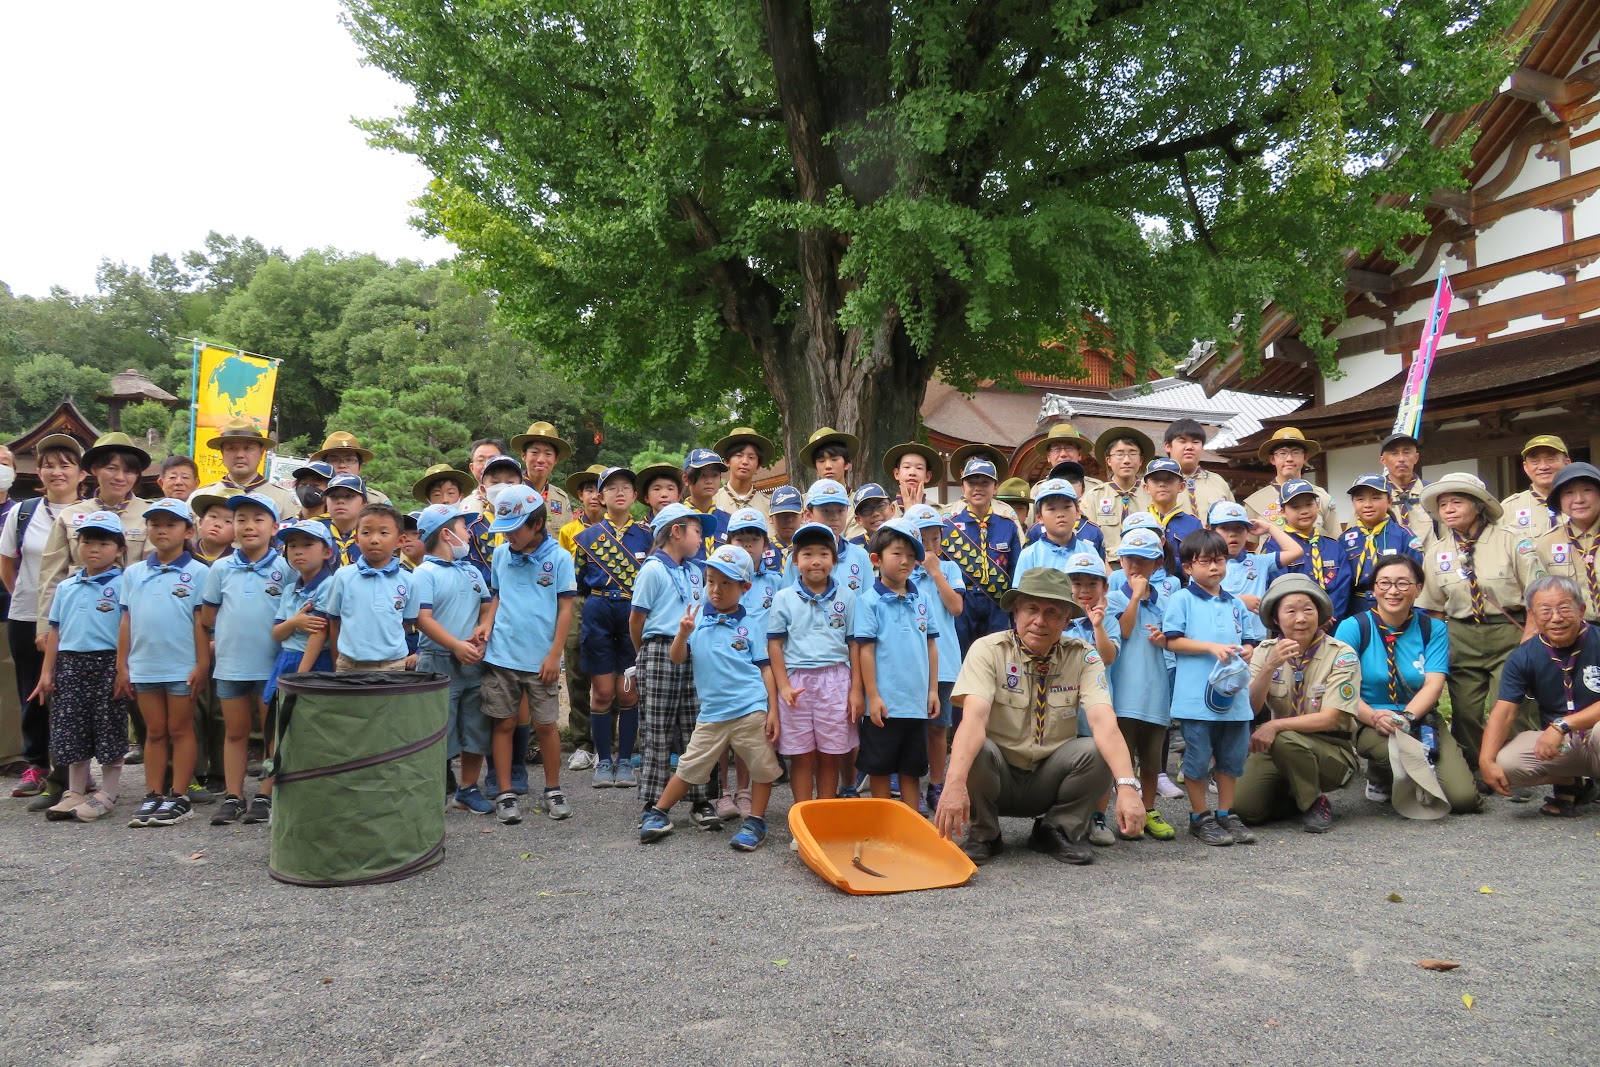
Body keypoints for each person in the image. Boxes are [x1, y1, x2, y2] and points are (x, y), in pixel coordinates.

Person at [933, 567, 1143, 866]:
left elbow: (1104, 723)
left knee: (1098, 750)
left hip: (1050, 776)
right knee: (976, 746)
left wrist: (1127, 787)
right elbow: (974, 719)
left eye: (1052, 612)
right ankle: (984, 833)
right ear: (1016, 611)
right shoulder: (988, 651)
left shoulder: (1084, 656)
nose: (1040, 621)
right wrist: (953, 783)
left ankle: (1056, 828)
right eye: (1031, 609)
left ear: (1067, 620)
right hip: (997, 775)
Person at [639, 545, 784, 851]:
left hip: (750, 708)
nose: (716, 590)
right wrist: (681, 634)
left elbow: (765, 669)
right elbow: (677, 658)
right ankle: (659, 812)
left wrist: (772, 709)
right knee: (689, 766)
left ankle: (755, 821)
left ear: (744, 587)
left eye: (726, 583)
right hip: (712, 713)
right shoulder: (697, 620)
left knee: (762, 766)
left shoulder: (753, 626)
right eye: (711, 581)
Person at [1417, 471, 1540, 792]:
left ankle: (1518, 772)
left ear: (1478, 505)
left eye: (1456, 501)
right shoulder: (1436, 552)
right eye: (1443, 504)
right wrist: (1436, 648)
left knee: (1513, 705)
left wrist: (1529, 641)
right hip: (1461, 635)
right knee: (1466, 710)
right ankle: (1476, 769)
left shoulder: (1511, 540)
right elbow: (1433, 608)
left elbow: (1537, 596)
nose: (1448, 509)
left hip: (1510, 634)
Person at [1334, 554, 1479, 815]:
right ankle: (1381, 772)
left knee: (1462, 799)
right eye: (1384, 583)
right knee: (1401, 761)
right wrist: (1375, 717)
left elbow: (1434, 684)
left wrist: (1407, 717)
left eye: (1402, 583)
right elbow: (1341, 689)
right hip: (1369, 719)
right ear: (1374, 589)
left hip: (1419, 717)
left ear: (1418, 589)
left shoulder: (1432, 628)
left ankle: (1403, 774)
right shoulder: (1353, 627)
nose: (1393, 591)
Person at [1234, 574, 1360, 832]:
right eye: (1290, 611)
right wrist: (1270, 667)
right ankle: (1296, 796)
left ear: (1319, 614)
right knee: (1243, 809)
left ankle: (1314, 802)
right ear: (1276, 618)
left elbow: (1330, 718)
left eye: (1308, 610)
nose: (1301, 618)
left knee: (1282, 736)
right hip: (1278, 748)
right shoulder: (1264, 652)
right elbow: (1250, 709)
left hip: (1331, 748)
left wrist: (1276, 725)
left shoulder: (1341, 654)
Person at [480, 486, 576, 825]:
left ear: (536, 524)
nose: (507, 535)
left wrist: (554, 654)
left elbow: (565, 609)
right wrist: (487, 625)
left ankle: (553, 788)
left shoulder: (560, 558)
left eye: (514, 527)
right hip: (502, 655)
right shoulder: (501, 554)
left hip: (541, 660)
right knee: (504, 722)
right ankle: (505, 792)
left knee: (546, 724)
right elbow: (497, 596)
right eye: (503, 528)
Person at [1162, 529, 1264, 846]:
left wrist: (1247, 651)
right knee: (1197, 757)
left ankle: (1225, 813)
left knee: (1232, 759)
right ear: (1189, 567)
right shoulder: (1181, 599)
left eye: (1219, 560)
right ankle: (1198, 817)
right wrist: (1209, 647)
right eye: (1205, 562)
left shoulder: (1235, 603)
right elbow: (1171, 640)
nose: (1214, 568)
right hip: (1196, 699)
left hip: (1234, 699)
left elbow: (1249, 641)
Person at [118, 499, 209, 828]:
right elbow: (126, 621)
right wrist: (122, 665)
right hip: (144, 665)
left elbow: (201, 623)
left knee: (180, 729)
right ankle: (153, 793)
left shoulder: (199, 572)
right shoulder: (133, 573)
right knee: (154, 732)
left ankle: (180, 795)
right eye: (155, 523)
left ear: (188, 531)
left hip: (181, 666)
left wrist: (202, 664)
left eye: (171, 524)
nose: (161, 530)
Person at [3, 432, 83, 802]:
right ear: (38, 472)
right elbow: (8, 564)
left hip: (79, 618)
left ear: (82, 473)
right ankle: (36, 763)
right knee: (31, 689)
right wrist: (32, 602)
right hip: (25, 616)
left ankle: (73, 770)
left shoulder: (91, 513)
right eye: (49, 465)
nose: (57, 471)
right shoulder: (23, 512)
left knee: (72, 694)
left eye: (66, 464)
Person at [36, 512, 131, 823]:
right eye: (87, 541)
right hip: (71, 664)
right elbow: (55, 631)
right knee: (71, 728)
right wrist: (47, 672)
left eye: (103, 543)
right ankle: (75, 792)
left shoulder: (124, 583)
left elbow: (128, 628)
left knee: (109, 726)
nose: (93, 549)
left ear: (118, 549)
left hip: (108, 663)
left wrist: (122, 668)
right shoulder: (66, 586)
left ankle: (109, 792)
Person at [629, 502, 719, 829]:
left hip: (694, 650)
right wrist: (645, 655)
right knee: (657, 728)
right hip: (658, 649)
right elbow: (636, 619)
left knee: (698, 726)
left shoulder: (697, 571)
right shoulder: (653, 569)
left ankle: (702, 799)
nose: (702, 540)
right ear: (676, 532)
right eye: (697, 532)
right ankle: (654, 800)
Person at [199, 492, 285, 827]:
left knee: (270, 734)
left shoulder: (285, 567)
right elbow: (208, 614)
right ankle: (234, 796)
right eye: (241, 520)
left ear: (274, 527)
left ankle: (266, 793)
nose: (249, 527)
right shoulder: (221, 568)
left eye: (258, 520)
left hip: (271, 666)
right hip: (231, 664)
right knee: (234, 733)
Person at [1481, 575, 1600, 815]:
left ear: (1581, 609)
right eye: (1545, 611)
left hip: (1591, 731)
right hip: (1565, 743)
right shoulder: (1523, 656)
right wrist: (1486, 760)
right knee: (1507, 763)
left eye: (1564, 609)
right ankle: (1573, 784)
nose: (1556, 618)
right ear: (1532, 617)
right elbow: (1504, 712)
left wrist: (1561, 725)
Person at [408, 504, 494, 815]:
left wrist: (481, 630)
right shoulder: (424, 573)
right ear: (446, 533)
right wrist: (456, 645)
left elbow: (486, 607)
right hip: (437, 660)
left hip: (473, 660)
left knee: (475, 726)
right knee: (436, 728)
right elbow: (422, 618)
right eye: (463, 527)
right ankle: (432, 791)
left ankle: (468, 789)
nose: (468, 533)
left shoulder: (471, 570)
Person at [767, 521, 859, 812]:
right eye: (807, 554)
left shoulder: (847, 596)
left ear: (834, 560)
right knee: (803, 755)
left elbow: (855, 645)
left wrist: (856, 690)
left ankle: (825, 815)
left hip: (836, 680)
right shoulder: (783, 599)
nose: (815, 561)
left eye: (823, 553)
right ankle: (804, 819)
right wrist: (783, 686)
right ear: (795, 561)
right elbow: (775, 645)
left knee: (830, 754)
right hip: (798, 684)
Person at [852, 519, 939, 811]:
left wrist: (933, 691)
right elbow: (865, 650)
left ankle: (910, 827)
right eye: (897, 553)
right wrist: (872, 696)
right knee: (879, 767)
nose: (905, 561)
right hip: (884, 705)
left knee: (911, 769)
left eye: (911, 556)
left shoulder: (923, 599)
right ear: (876, 559)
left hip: (916, 702)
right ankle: (880, 823)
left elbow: (931, 645)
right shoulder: (868, 602)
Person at [575, 467, 650, 789]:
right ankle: (603, 759)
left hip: (633, 613)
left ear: (635, 496)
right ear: (600, 497)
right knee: (603, 692)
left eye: (626, 488)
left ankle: (624, 760)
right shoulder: (588, 538)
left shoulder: (647, 535)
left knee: (627, 692)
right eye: (611, 488)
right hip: (598, 611)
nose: (619, 493)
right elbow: (579, 582)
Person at [1104, 528, 1177, 840]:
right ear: (1120, 559)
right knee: (1122, 761)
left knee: (1151, 761)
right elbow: (1123, 631)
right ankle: (1118, 810)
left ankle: (1148, 810)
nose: (1135, 566)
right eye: (1129, 559)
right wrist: (1135, 595)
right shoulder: (1113, 598)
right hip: (1123, 695)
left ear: (1157, 563)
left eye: (1143, 560)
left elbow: (1175, 642)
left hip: (1156, 694)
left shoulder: (1167, 602)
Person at [905, 504, 963, 813]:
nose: (929, 547)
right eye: (922, 540)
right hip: (911, 661)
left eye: (935, 539)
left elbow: (956, 607)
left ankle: (936, 785)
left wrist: (936, 571)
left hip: (945, 661)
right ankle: (909, 782)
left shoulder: (949, 569)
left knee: (939, 727)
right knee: (911, 724)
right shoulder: (902, 573)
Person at [326, 503, 416, 672]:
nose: (374, 539)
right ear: (357, 539)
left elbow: (406, 621)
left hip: (393, 665)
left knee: (389, 700)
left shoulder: (409, 580)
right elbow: (334, 621)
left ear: (400, 540)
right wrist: (336, 660)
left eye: (384, 533)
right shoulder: (343, 576)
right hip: (348, 665)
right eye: (366, 533)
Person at [942, 457, 1019, 654]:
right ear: (963, 488)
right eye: (972, 482)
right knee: (962, 658)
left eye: (985, 482)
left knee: (997, 657)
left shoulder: (1008, 526)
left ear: (995, 488)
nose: (978, 488)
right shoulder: (948, 528)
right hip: (962, 602)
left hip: (998, 605)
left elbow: (1015, 571)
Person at [559, 464, 606, 772]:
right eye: (589, 489)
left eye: (599, 490)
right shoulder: (569, 531)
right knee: (576, 667)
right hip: (577, 599)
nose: (594, 496)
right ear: (581, 495)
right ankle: (582, 743)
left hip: (610, 601)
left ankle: (606, 741)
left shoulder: (624, 530)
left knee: (610, 671)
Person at [266, 520, 336, 704]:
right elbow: (276, 633)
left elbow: (318, 633)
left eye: (307, 544)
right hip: (286, 658)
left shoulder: (329, 585)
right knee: (279, 713)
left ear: (327, 552)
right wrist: (294, 622)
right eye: (292, 545)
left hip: (314, 662)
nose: (298, 551)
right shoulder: (289, 589)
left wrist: (300, 678)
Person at [1268, 479, 1353, 621]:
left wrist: (1326, 616)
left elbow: (1342, 587)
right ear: (1282, 512)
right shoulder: (1275, 546)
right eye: (1295, 507)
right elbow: (1279, 587)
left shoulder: (1334, 546)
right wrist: (1308, 617)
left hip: (1332, 624)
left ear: (1318, 506)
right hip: (1294, 624)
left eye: (1309, 504)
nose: (1304, 511)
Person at [1341, 474, 1423, 615]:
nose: (1367, 504)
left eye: (1376, 498)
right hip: (1355, 609)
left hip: (1395, 605)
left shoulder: (1404, 535)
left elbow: (1417, 574)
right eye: (1360, 499)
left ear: (1389, 501)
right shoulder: (1345, 539)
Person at [1531, 461, 1600, 622]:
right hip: (1574, 630)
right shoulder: (1547, 543)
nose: (1579, 500)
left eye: (1587, 490)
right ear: (1559, 501)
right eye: (1568, 493)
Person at [1242, 427, 1339, 538]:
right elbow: (1251, 548)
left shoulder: (1322, 497)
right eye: (1282, 453)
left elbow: (1335, 540)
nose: (1289, 458)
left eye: (1295, 452)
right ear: (1272, 459)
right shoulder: (1255, 502)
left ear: (1305, 457)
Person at [783, 479, 874, 597]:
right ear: (808, 515)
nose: (834, 517)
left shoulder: (860, 555)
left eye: (840, 510)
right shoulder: (797, 558)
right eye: (825, 511)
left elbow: (868, 602)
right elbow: (788, 600)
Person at [192, 418, 297, 518]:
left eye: (248, 448)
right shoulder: (201, 497)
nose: (240, 455)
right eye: (231, 448)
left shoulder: (284, 500)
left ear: (261, 453)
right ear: (222, 453)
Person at [1210, 501, 1302, 613]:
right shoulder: (1204, 565)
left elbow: (1296, 551)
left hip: (1256, 631)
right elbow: (1199, 604)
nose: (1233, 534)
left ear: (1248, 532)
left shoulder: (1259, 562)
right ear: (1211, 531)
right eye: (1225, 528)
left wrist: (1269, 528)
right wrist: (1239, 601)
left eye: (1239, 528)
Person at [1083, 426, 1153, 560]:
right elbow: (1087, 538)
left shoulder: (1151, 494)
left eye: (1133, 454)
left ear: (1141, 460)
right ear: (1109, 461)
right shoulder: (1094, 496)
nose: (1126, 460)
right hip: (1107, 565)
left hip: (1144, 564)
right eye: (1119, 454)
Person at [1015, 479, 1098, 572]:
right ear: (1039, 517)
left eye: (1066, 507)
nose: (1060, 514)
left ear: (1077, 511)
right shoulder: (1029, 555)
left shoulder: (1090, 552)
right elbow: (1021, 586)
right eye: (1051, 509)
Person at [1500, 435, 1569, 539]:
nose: (1543, 467)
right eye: (1535, 461)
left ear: (1567, 463)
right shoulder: (1509, 508)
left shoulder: (1583, 503)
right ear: (1526, 467)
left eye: (1550, 459)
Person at [1163, 418, 1234, 519]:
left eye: (1195, 442)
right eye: (1182, 442)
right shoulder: (1154, 482)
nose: (1189, 447)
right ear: (1168, 446)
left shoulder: (1218, 482)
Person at [510, 420, 574, 528]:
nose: (541, 460)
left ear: (556, 460)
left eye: (548, 454)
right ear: (523, 455)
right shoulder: (511, 492)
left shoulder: (561, 499)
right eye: (535, 452)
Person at [1379, 432, 1436, 545]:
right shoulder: (1374, 494)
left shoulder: (1432, 492)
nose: (1401, 459)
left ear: (1416, 458)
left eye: (1407, 453)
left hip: (1428, 560)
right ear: (1383, 461)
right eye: (1394, 453)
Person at [308, 431, 392, 504]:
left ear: (360, 467)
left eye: (349, 460)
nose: (342, 465)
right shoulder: (309, 497)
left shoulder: (377, 501)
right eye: (334, 460)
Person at [1142, 458, 1203, 556]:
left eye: (1169, 479)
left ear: (1181, 486)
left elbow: (1197, 562)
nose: (1162, 484)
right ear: (1146, 488)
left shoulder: (1193, 524)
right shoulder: (1138, 522)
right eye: (1155, 480)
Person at [712, 426, 775, 516]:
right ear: (726, 461)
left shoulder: (769, 506)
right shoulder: (712, 501)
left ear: (758, 466)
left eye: (751, 457)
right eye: (739, 455)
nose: (745, 462)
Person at [1036, 422, 1104, 495]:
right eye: (1057, 449)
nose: (1063, 454)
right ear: (1048, 456)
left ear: (1079, 454)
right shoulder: (1038, 490)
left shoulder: (1096, 488)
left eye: (1069, 448)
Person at [682, 448, 730, 551]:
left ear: (720, 478)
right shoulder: (677, 519)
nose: (709, 481)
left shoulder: (728, 521)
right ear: (686, 479)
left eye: (714, 475)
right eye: (702, 475)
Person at [320, 474, 368, 567]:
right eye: (333, 496)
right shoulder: (317, 535)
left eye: (349, 496)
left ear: (364, 504)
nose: (340, 501)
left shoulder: (373, 537)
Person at [883, 442, 943, 514]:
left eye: (919, 468)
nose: (912, 473)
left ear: (927, 476)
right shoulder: (887, 513)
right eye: (907, 467)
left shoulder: (938, 512)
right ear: (897, 473)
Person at [464, 438, 508, 515]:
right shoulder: (465, 504)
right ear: (472, 468)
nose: (486, 465)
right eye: (480, 460)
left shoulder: (517, 497)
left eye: (492, 459)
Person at [768, 486, 803, 571]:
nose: (788, 520)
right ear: (771, 518)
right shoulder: (762, 550)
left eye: (793, 515)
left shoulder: (809, 549)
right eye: (781, 516)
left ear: (803, 516)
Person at [411, 463, 477, 507]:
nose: (445, 500)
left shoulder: (472, 525)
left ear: (461, 497)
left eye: (451, 493)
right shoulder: (420, 525)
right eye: (437, 494)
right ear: (428, 500)